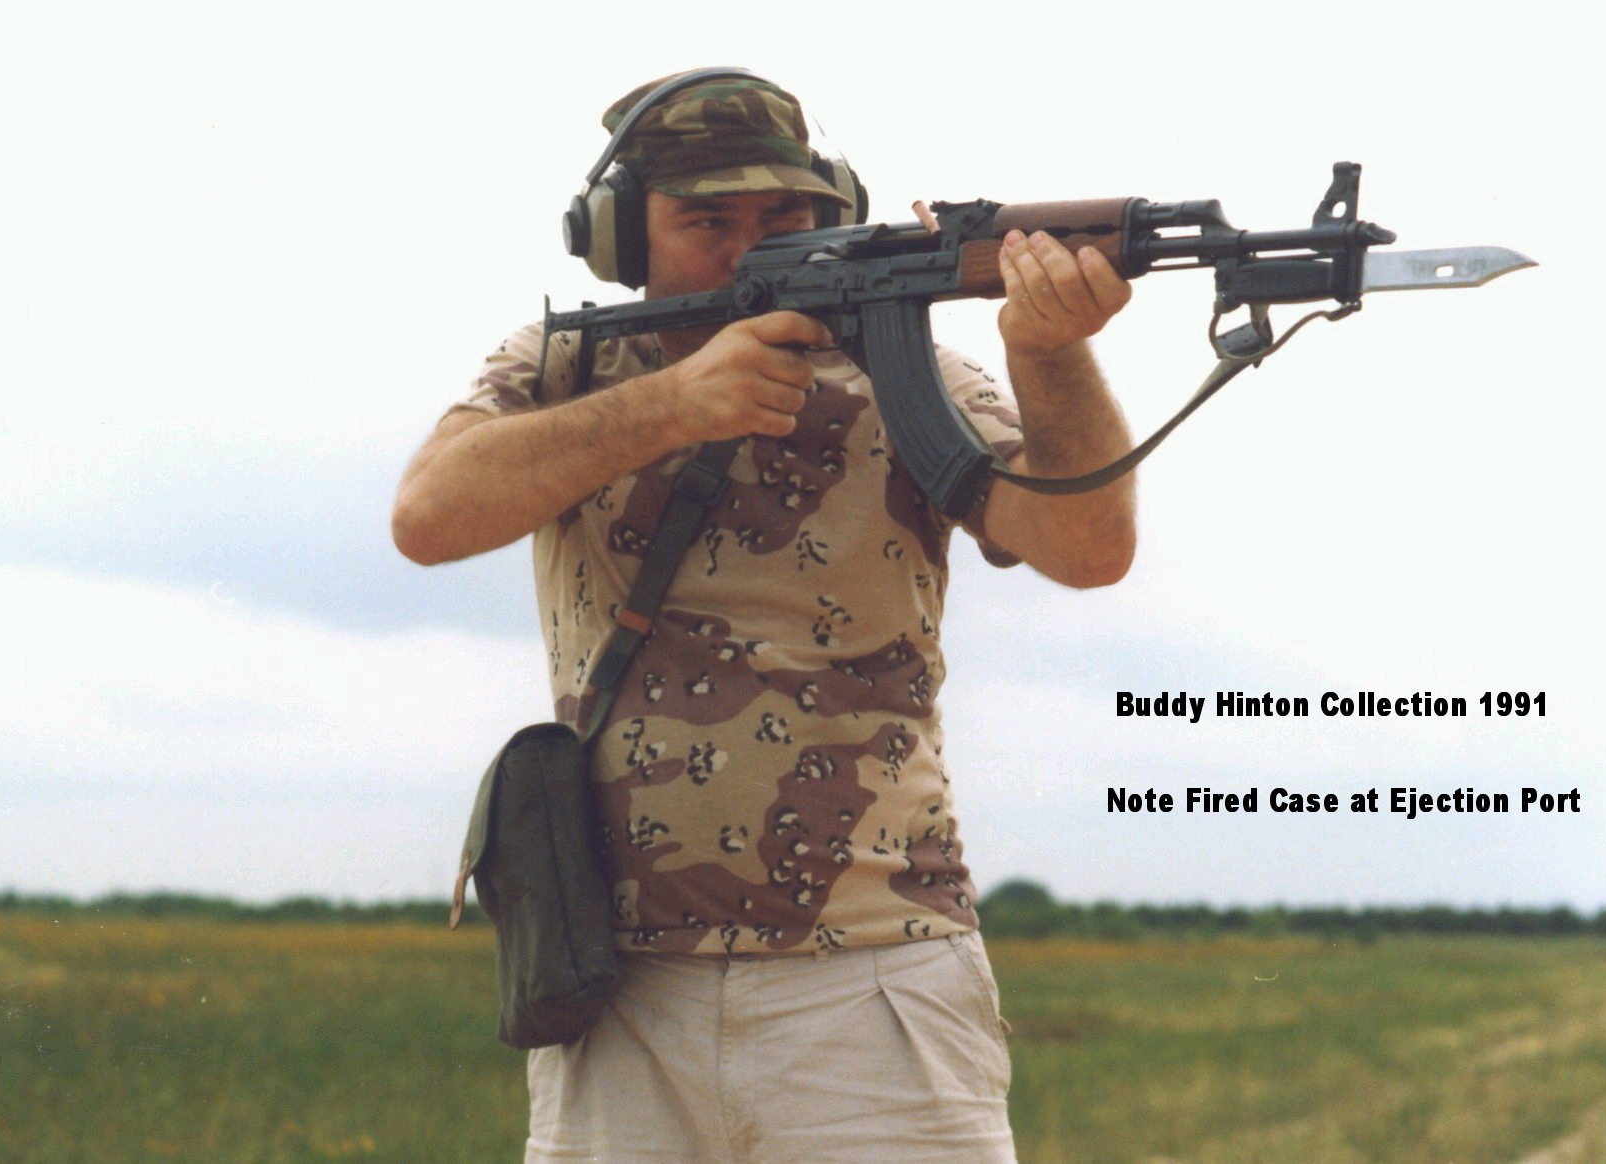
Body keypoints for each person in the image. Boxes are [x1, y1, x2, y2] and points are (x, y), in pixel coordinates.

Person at [393, 70, 1135, 1163]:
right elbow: (427, 516)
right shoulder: (568, 365)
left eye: (785, 217)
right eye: (709, 222)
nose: (751, 249)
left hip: (876, 970)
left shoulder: (910, 372)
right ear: (621, 238)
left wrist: (1051, 350)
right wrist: (669, 407)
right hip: (621, 983)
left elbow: (1087, 546)